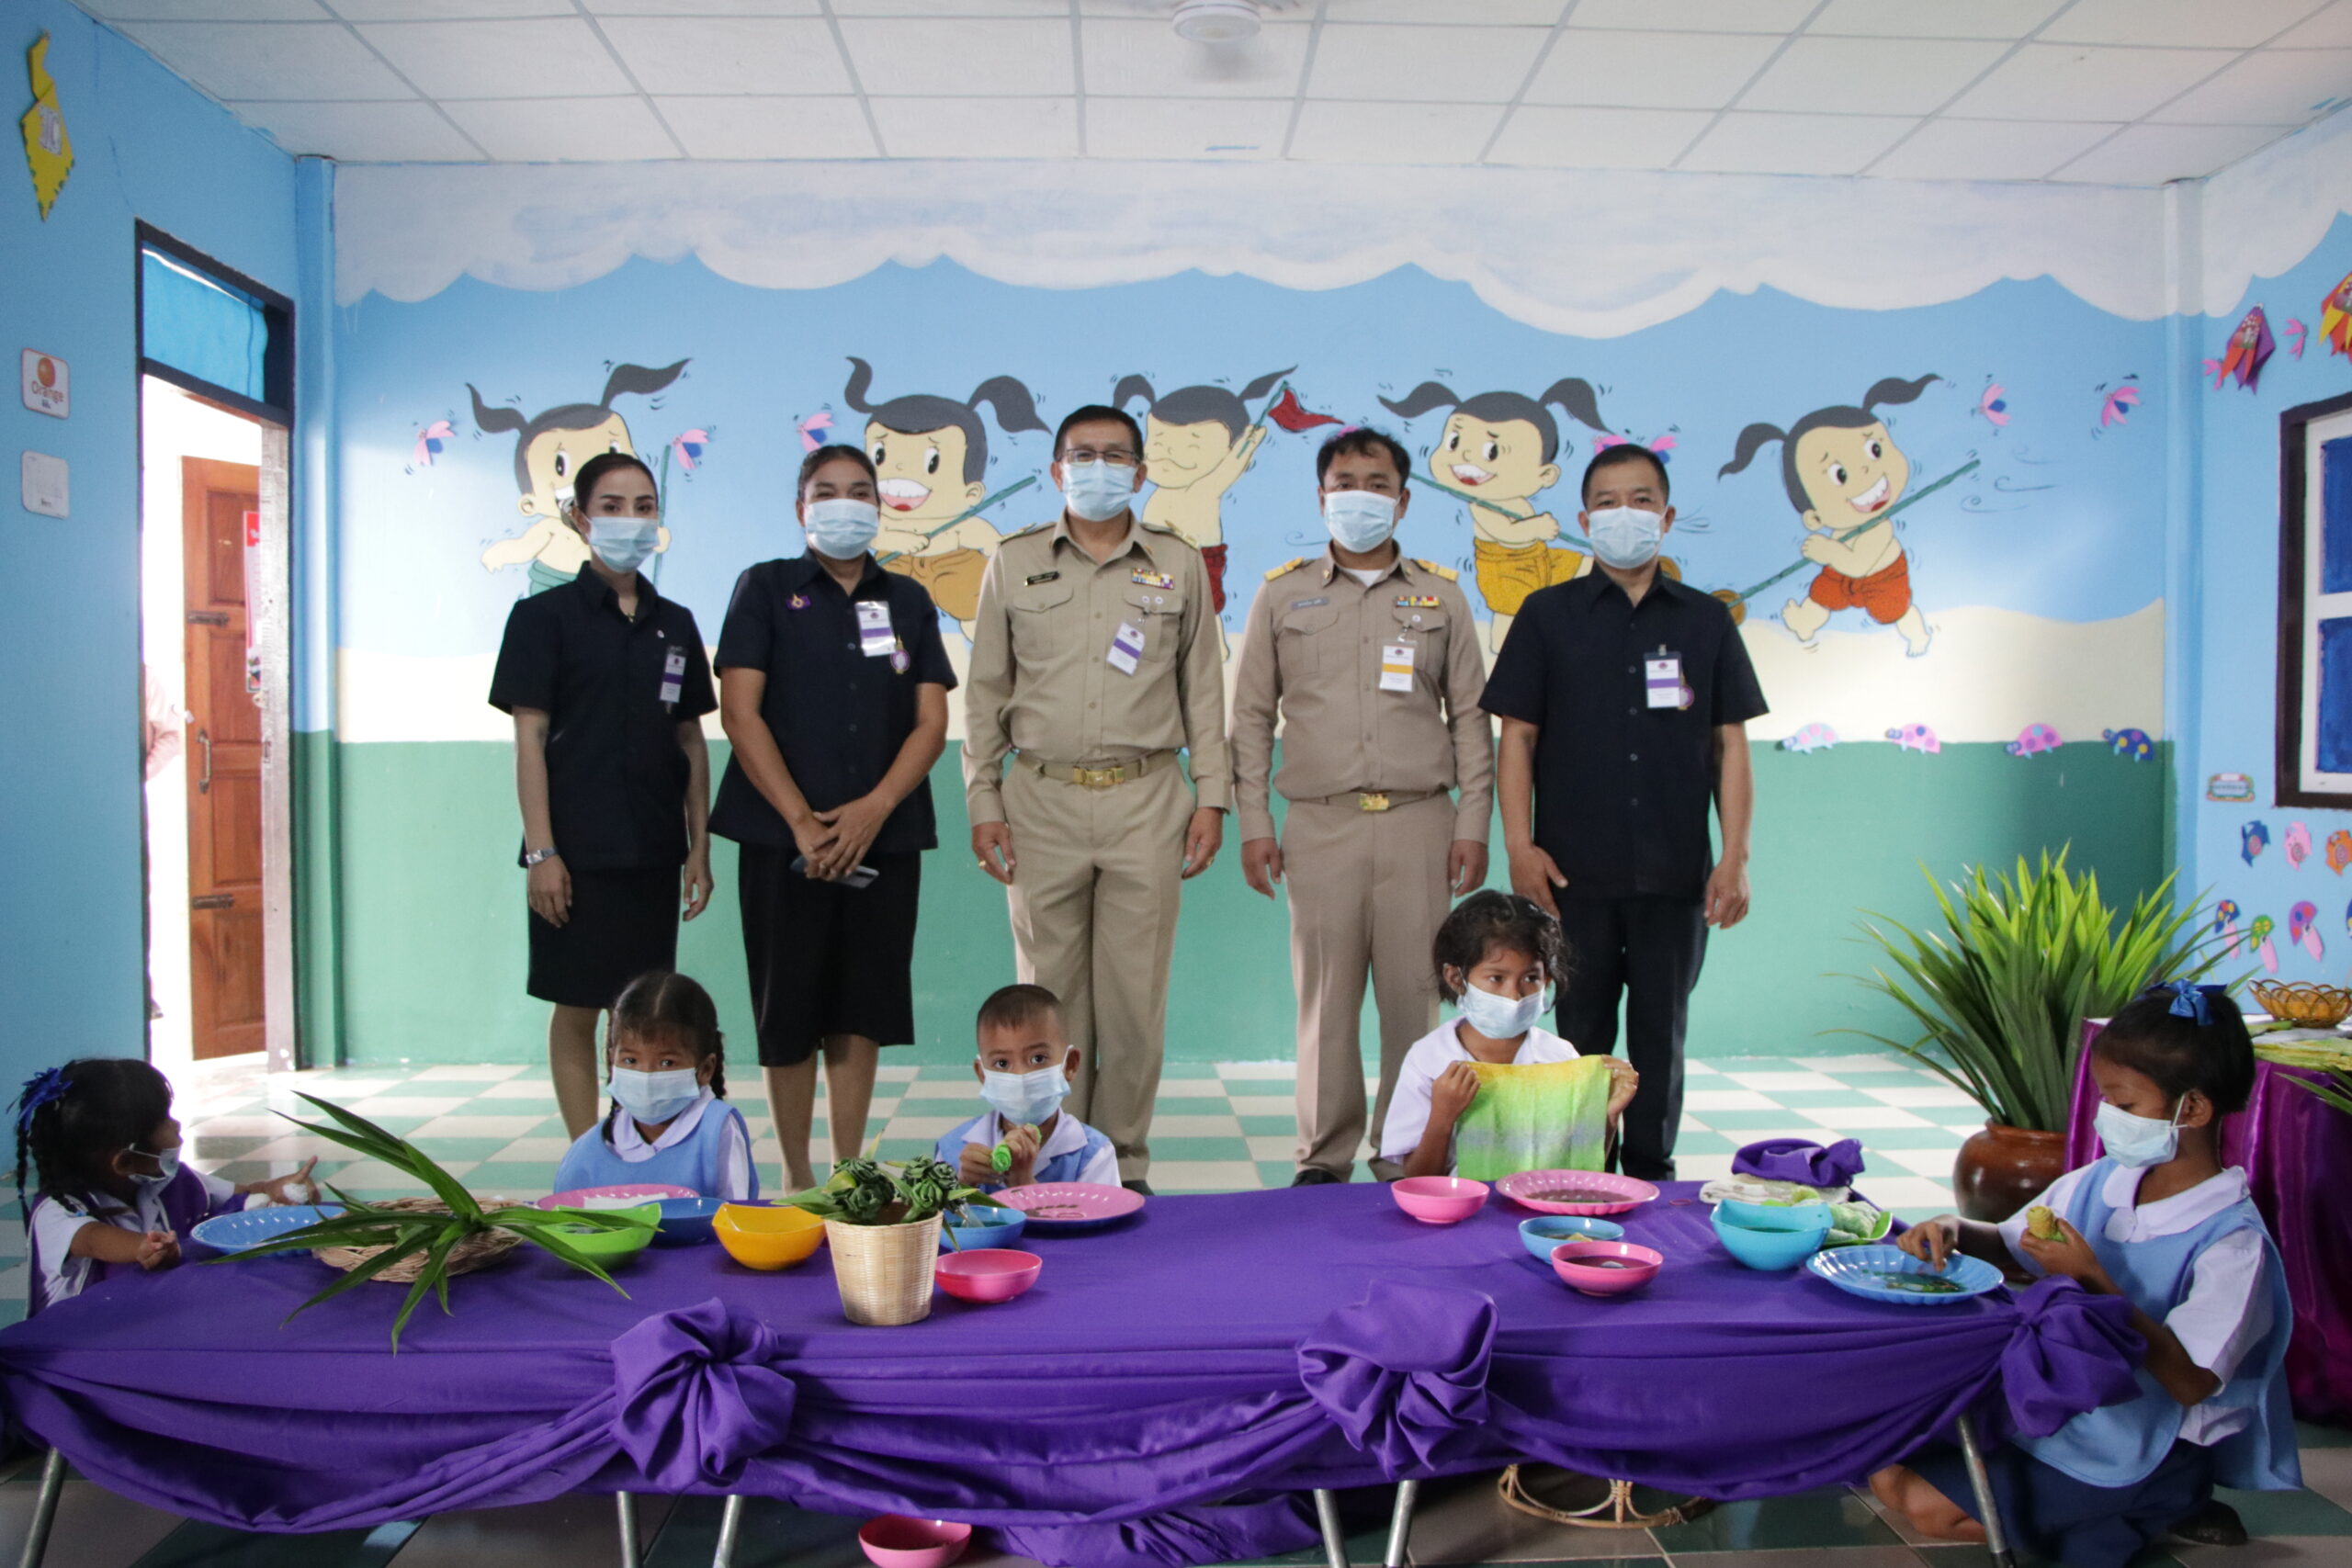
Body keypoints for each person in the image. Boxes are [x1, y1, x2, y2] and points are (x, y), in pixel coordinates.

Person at [1872, 983, 2300, 1568]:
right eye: (2104, 1099)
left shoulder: (2232, 1242)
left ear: (2194, 1110)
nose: (2107, 1118)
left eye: (2126, 1106)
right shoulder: (2104, 1180)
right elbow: (2011, 1241)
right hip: (2052, 1401)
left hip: (2137, 1438)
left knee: (1925, 1508)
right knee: (1885, 1468)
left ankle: (2160, 1500)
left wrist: (2094, 1279)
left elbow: (2193, 1383)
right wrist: (1953, 1227)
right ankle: (2106, 1514)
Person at [963, 403, 1230, 1195]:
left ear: (1141, 473)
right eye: (1083, 455)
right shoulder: (1013, 561)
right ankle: (1047, 1159)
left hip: (1147, 798)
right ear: (1056, 470)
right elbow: (984, 695)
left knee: (1133, 1006)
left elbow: (1204, 690)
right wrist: (983, 800)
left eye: (1116, 456)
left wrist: (1212, 798)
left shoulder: (1178, 563)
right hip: (1039, 800)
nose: (1099, 468)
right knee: (1048, 1005)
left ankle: (1124, 1166)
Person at [1478, 444, 1765, 1182]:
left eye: (1641, 500)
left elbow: (1730, 745)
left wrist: (1734, 857)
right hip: (1571, 876)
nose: (1624, 515)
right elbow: (1518, 737)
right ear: (1584, 520)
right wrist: (1519, 845)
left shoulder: (1707, 621)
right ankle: (1578, 1171)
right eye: (1607, 503)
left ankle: (1649, 1171)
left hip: (1676, 874)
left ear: (1666, 517)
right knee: (1579, 1034)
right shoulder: (1547, 616)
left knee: (1662, 1035)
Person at [1230, 426, 1493, 1186]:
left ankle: (1405, 1149)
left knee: (1417, 1000)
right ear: (1321, 497)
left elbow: (1470, 719)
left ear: (1403, 501)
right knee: (1326, 1004)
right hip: (1320, 823)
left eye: (1377, 484)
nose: (1360, 497)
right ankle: (1323, 1156)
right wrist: (1254, 824)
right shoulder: (1283, 594)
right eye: (1345, 483)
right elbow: (1251, 717)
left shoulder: (1443, 596)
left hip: (1420, 823)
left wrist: (1473, 823)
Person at [714, 444, 955, 1191]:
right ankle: (795, 1176)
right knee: (787, 1007)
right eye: (826, 492)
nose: (843, 504)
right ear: (801, 508)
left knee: (862, 1004)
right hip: (780, 838)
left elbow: (931, 722)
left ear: (878, 507)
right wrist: (800, 820)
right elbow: (740, 711)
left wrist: (874, 810)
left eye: (859, 491)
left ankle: (849, 1170)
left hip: (885, 837)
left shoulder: (908, 599)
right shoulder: (764, 587)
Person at [489, 451, 716, 1140]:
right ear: (580, 518)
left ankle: (638, 1140)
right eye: (612, 506)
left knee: (644, 1009)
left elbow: (690, 739)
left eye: (644, 506)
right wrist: (542, 853)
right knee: (577, 1005)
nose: (630, 520)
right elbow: (530, 739)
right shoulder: (542, 618)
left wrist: (699, 847)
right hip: (573, 854)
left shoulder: (675, 623)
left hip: (652, 850)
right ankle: (583, 1152)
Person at [14, 1059, 317, 1314]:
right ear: (125, 1162)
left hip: (154, 1316)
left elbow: (245, 1192)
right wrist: (144, 1248)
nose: (176, 1125)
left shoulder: (171, 1181)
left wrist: (275, 1189)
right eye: (163, 1121)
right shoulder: (58, 1211)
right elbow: (93, 1239)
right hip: (81, 1339)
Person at [1379, 892, 1635, 1180]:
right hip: (1461, 1206)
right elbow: (1418, 1178)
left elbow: (1580, 1171)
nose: (1514, 995)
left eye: (1530, 978)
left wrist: (1607, 1115)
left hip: (1539, 1205)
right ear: (1456, 979)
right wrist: (1442, 1115)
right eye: (1496, 978)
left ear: (1547, 979)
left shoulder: (1560, 1058)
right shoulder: (1429, 1059)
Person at [552, 970, 755, 1201]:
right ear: (611, 1060)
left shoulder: (717, 1130)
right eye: (631, 1060)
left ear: (705, 1069)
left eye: (667, 1062)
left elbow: (736, 1213)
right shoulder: (591, 1148)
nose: (646, 1075)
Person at [934, 984, 1117, 1194]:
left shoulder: (1093, 1155)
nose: (1020, 1076)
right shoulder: (954, 1151)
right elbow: (934, 1214)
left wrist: (1025, 1185)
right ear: (983, 1074)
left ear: (1070, 1065)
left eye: (1038, 1059)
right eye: (1002, 1063)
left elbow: (1104, 1214)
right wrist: (962, 1186)